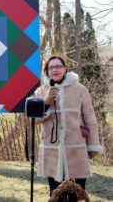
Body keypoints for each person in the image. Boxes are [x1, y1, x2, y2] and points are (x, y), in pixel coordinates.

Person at [35, 54, 103, 197]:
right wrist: (46, 102)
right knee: (55, 195)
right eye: (51, 67)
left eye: (58, 66)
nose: (55, 70)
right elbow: (34, 120)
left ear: (65, 69)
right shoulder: (41, 91)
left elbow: (90, 118)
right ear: (47, 71)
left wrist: (93, 145)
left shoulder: (80, 89)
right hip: (52, 152)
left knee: (76, 194)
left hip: (76, 151)